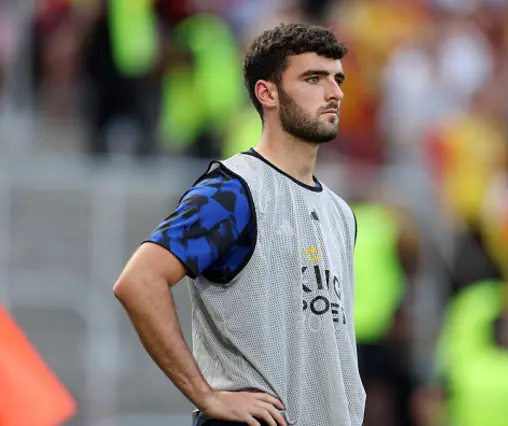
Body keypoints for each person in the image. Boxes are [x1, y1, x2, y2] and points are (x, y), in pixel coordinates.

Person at [113, 23, 366, 426]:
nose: (333, 92)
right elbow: (138, 282)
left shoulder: (340, 212)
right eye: (313, 79)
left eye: (337, 79)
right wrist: (207, 396)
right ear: (267, 93)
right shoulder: (232, 192)